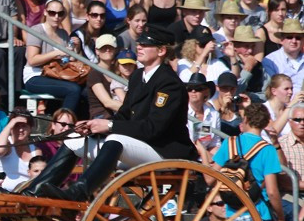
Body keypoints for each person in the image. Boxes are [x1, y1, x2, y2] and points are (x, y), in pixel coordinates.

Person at [29, 27, 196, 201]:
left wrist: (109, 126)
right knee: (74, 140)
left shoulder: (169, 83)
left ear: (161, 51)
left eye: (146, 44)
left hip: (164, 151)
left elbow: (153, 128)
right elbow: (124, 115)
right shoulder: (138, 76)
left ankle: (79, 192)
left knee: (116, 139)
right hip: (139, 147)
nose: (139, 46)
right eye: (139, 43)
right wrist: (94, 127)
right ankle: (33, 192)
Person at [209, 102, 284, 221]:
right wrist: (281, 218)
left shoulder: (229, 142)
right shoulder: (268, 149)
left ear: (245, 119)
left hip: (233, 215)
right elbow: (272, 191)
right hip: (259, 213)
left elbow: (209, 178)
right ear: (265, 124)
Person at [22, 0, 83, 113]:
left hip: (57, 74)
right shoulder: (37, 30)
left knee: (87, 89)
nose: (56, 17)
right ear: (45, 12)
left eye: (60, 13)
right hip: (35, 76)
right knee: (73, 90)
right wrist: (56, 53)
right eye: (52, 13)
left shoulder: (64, 34)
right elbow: (32, 60)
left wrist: (76, 49)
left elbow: (68, 60)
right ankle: (63, 124)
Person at [265, 18, 304, 89]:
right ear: (281, 40)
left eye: (298, 38)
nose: (294, 41)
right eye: (289, 37)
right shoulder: (270, 61)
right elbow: (273, 88)